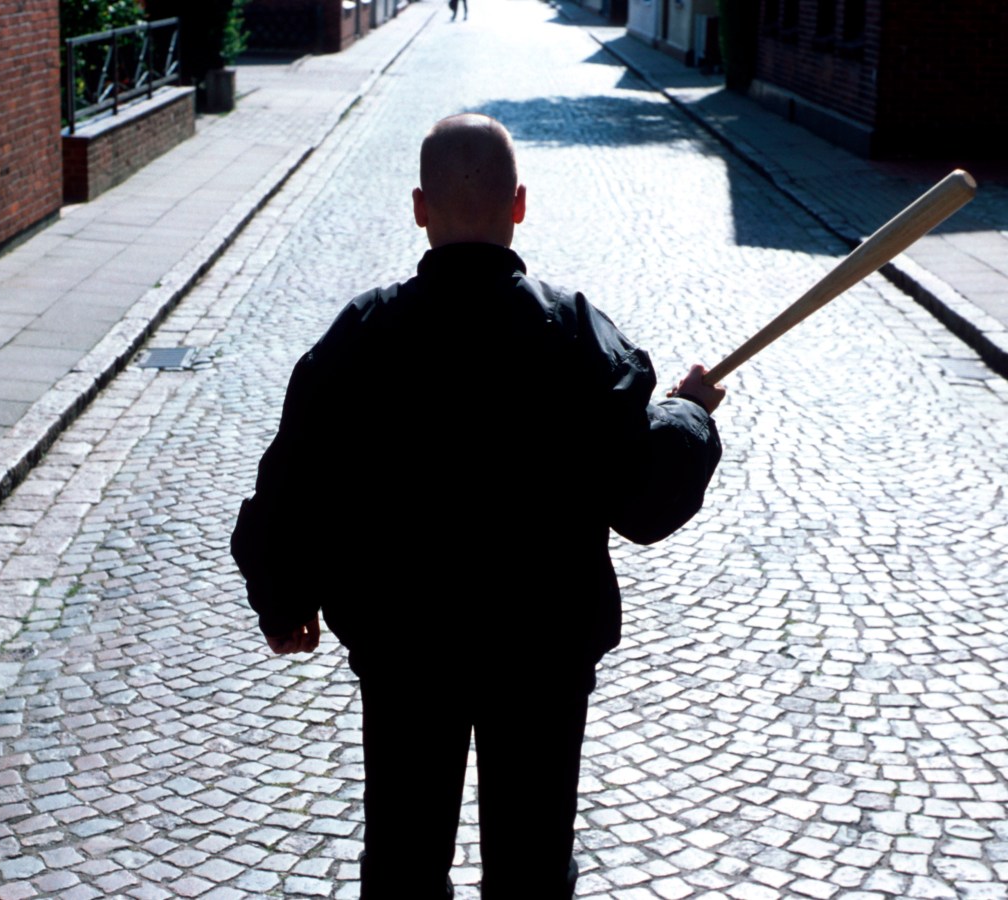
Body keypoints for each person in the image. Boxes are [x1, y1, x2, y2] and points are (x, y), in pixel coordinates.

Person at [231, 113, 725, 899]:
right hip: (540, 650)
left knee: (402, 858)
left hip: (404, 648)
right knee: (531, 867)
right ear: (519, 204)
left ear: (420, 208)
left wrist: (282, 599)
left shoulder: (366, 333)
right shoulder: (575, 334)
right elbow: (640, 493)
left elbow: (296, 476)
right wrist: (689, 415)